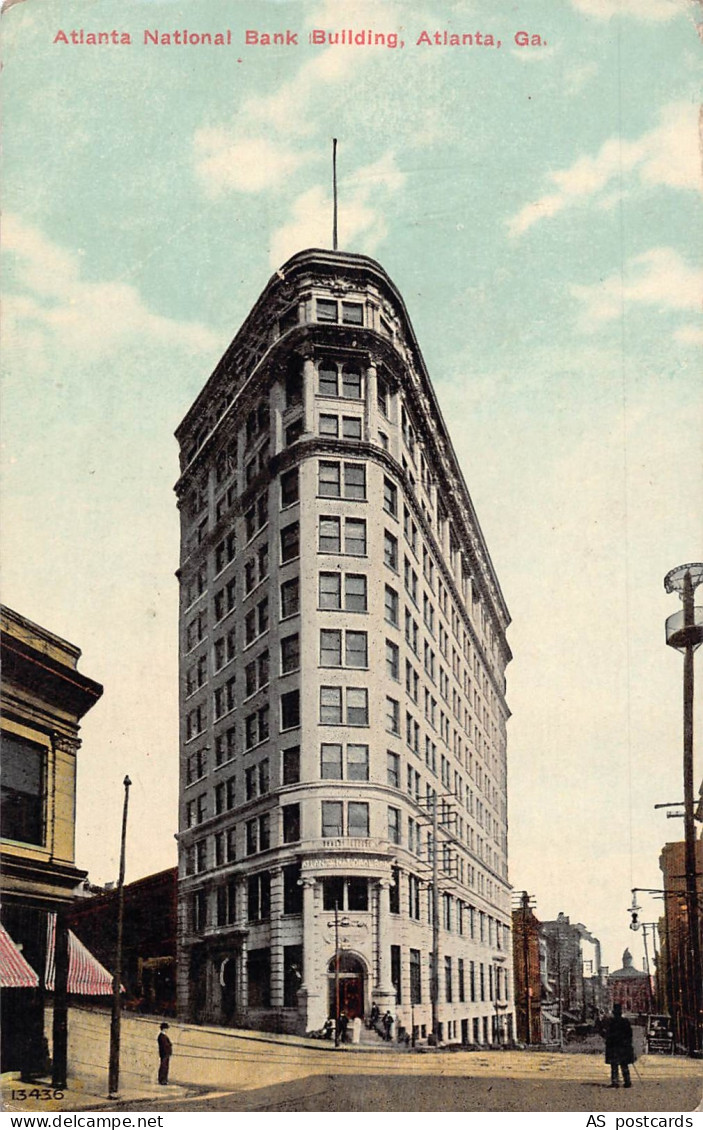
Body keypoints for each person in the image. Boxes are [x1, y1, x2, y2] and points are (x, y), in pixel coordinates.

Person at [604, 1004, 634, 1088]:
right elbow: (630, 1034)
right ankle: (627, 1081)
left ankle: (615, 1082)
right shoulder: (625, 1022)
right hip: (623, 1046)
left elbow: (608, 1034)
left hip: (614, 1046)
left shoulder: (611, 1022)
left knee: (614, 1065)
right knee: (624, 1065)